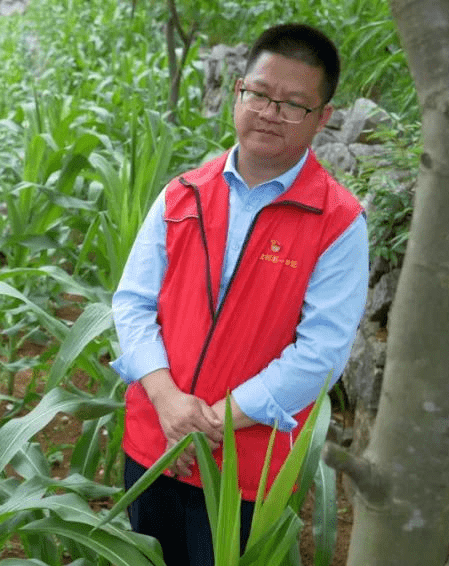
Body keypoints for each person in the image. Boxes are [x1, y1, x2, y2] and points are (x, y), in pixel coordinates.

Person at [111, 23, 369, 566]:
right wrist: (167, 402)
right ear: (238, 93)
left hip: (247, 470)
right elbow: (132, 303)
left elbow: (320, 353)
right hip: (154, 444)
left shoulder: (337, 222)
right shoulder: (182, 194)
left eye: (294, 104)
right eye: (260, 94)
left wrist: (210, 424)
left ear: (323, 118)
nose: (271, 112)